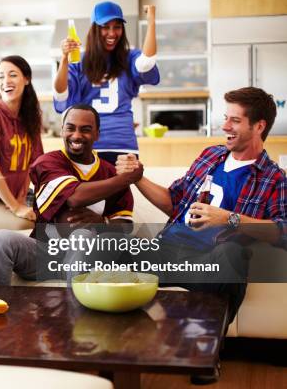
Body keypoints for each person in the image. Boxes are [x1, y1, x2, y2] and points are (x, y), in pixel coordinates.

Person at [117, 86, 286, 327]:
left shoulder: (274, 178)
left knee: (232, 255)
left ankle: (204, 347)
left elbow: (283, 231)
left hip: (210, 260)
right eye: (226, 118)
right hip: (168, 250)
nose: (225, 126)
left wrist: (230, 219)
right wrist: (137, 178)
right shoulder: (210, 156)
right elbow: (173, 202)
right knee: (115, 247)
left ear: (259, 126)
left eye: (235, 120)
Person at [0, 104, 142, 286]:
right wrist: (125, 179)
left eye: (85, 130)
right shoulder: (47, 162)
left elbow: (124, 225)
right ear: (62, 131)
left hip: (89, 257)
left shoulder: (109, 172)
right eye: (70, 128)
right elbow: (74, 197)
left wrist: (103, 223)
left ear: (97, 134)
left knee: (82, 236)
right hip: (43, 253)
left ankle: (77, 313)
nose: (76, 135)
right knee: (1, 239)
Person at [54, 1, 160, 165]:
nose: (112, 33)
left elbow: (146, 63)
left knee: (115, 190)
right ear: (95, 29)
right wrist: (63, 59)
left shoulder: (129, 57)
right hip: (87, 145)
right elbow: (61, 93)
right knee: (89, 191)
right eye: (105, 26)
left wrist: (151, 21)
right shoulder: (78, 61)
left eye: (117, 26)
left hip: (122, 145)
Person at [0, 55, 44, 230]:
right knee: (27, 224)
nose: (6, 81)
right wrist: (15, 207)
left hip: (16, 198)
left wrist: (22, 195)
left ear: (27, 79)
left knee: (56, 218)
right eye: (0, 76)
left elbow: (34, 162)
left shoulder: (31, 115)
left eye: (12, 75)